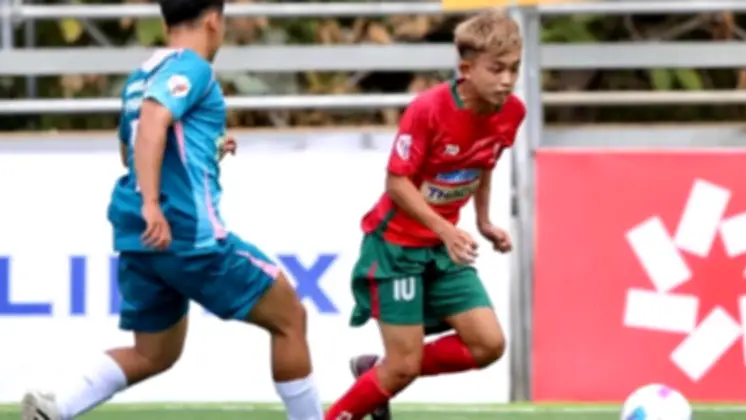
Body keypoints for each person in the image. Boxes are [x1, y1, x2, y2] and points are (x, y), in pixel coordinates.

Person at [21, 1, 323, 419]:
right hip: (184, 233)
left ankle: (57, 409)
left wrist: (205, 152)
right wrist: (153, 204)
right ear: (213, 20)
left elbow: (130, 151)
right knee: (289, 317)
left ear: (165, 21)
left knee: (153, 353)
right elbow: (153, 123)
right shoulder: (193, 67)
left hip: (140, 239)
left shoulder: (140, 76)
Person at [324, 10, 526, 420]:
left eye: (514, 68)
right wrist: (446, 229)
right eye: (497, 69)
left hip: (441, 250)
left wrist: (483, 221)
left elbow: (484, 161)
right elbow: (397, 184)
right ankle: (374, 384)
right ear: (466, 69)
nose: (507, 79)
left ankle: (379, 372)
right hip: (396, 249)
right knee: (403, 366)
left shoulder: (512, 112)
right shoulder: (428, 109)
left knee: (488, 345)